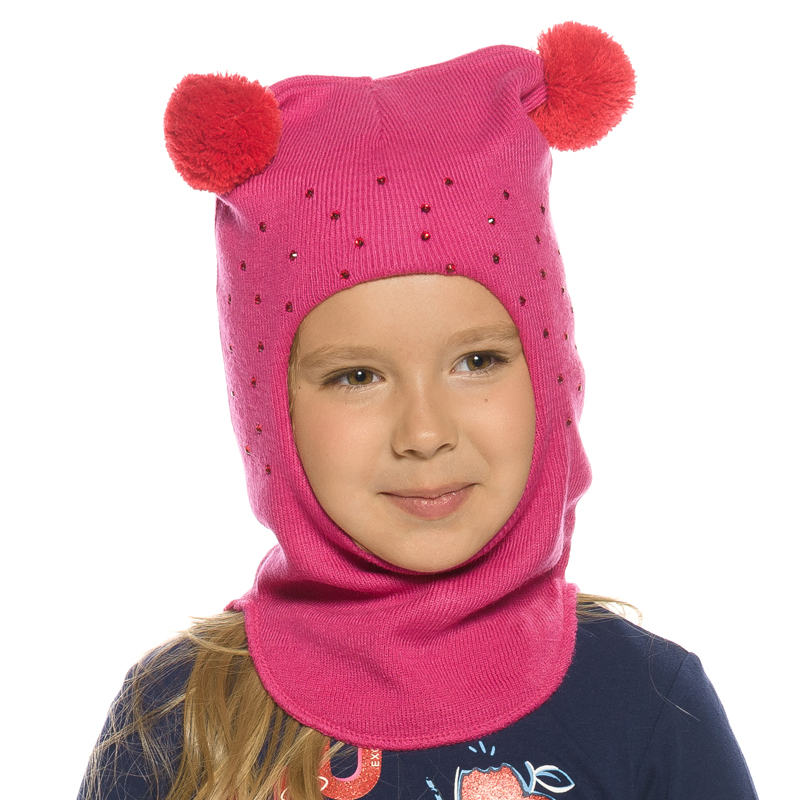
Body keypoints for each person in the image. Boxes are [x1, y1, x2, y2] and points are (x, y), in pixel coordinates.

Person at [79, 22, 758, 800]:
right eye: (357, 376)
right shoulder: (177, 716)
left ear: (552, 377)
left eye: (478, 362)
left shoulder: (647, 702)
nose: (425, 434)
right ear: (266, 412)